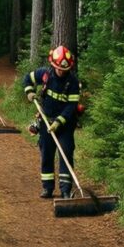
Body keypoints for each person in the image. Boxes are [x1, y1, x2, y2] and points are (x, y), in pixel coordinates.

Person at [22, 45, 81, 199]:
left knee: (65, 153)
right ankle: (47, 188)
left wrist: (59, 122)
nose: (61, 71)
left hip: (65, 125)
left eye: (64, 69)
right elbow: (27, 78)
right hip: (46, 122)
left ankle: (66, 191)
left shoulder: (73, 82)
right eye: (58, 68)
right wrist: (29, 91)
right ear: (53, 65)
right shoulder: (45, 74)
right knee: (47, 154)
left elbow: (71, 107)